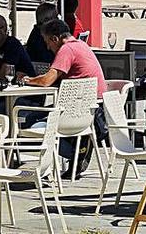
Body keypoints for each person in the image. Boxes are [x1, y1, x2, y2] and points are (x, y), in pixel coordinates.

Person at [23, 18, 107, 178]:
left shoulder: (66, 50)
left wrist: (26, 80)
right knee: (39, 117)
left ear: (55, 38)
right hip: (91, 113)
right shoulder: (81, 45)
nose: (47, 47)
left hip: (72, 116)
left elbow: (46, 81)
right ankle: (79, 150)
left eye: (47, 42)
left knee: (31, 123)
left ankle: (74, 153)